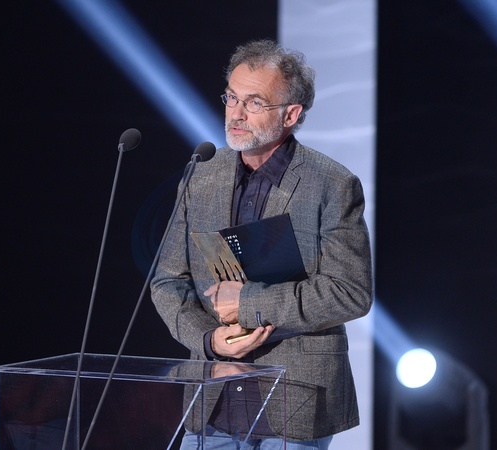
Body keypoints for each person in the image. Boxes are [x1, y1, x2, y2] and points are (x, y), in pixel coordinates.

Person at [150, 39, 373, 450]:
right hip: (212, 400)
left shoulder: (331, 184)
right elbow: (167, 282)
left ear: (291, 114)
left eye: (254, 102)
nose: (235, 113)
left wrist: (249, 303)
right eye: (231, 97)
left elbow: (350, 292)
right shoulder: (201, 175)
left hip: (294, 399)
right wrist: (208, 339)